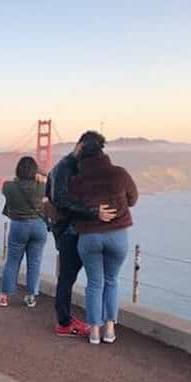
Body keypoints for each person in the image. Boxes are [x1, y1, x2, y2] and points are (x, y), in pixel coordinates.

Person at [46, 132, 118, 338]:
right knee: (68, 276)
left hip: (78, 229)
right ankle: (64, 322)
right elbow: (60, 201)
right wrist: (94, 213)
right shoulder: (63, 168)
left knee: (89, 277)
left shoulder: (77, 167)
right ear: (79, 146)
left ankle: (96, 321)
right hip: (68, 231)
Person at [69, 132, 138, 344]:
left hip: (89, 237)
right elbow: (133, 199)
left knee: (94, 283)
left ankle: (94, 332)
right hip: (117, 235)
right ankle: (110, 330)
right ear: (103, 153)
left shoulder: (76, 180)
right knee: (111, 281)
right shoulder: (119, 174)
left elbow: (71, 208)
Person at [0, 157, 48, 308]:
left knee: (12, 261)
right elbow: (51, 182)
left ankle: (4, 296)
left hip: (18, 226)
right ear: (35, 171)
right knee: (34, 263)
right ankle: (31, 297)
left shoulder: (9, 186)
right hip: (39, 227)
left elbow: (8, 187)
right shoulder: (41, 187)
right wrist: (41, 175)